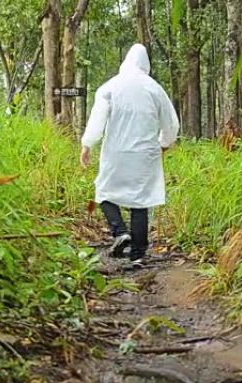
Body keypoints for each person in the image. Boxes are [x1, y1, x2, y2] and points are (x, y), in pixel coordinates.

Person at [80, 43, 179, 263]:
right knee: (141, 199)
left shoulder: (110, 87)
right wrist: (164, 144)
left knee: (104, 191)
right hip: (145, 154)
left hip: (116, 151)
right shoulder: (155, 89)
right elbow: (171, 124)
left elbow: (97, 120)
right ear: (146, 65)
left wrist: (87, 144)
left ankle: (120, 232)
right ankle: (137, 255)